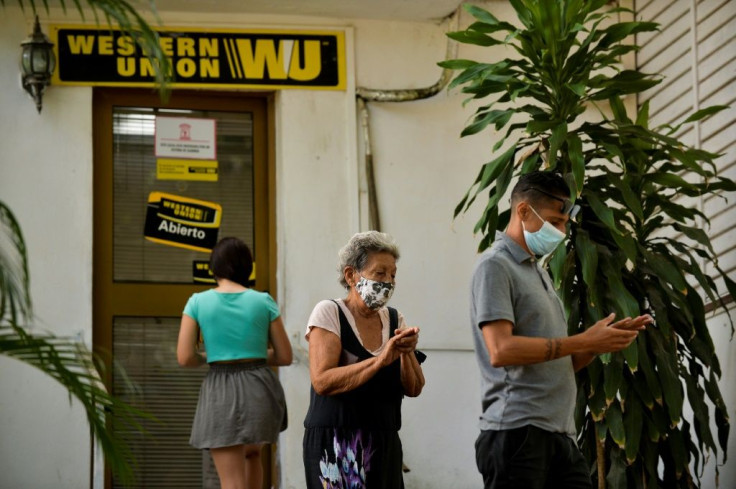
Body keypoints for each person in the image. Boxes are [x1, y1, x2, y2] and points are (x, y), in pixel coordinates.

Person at [470, 171, 653, 489]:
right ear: (523, 210)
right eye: (555, 221)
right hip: (517, 434)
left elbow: (560, 362)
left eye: (565, 223)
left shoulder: (537, 273)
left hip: (559, 435)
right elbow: (501, 350)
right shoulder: (495, 266)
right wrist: (581, 339)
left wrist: (597, 343)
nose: (562, 232)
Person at [302, 231, 426, 489]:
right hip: (337, 444)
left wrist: (407, 352)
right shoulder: (329, 313)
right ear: (351, 275)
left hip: (383, 441)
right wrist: (381, 360)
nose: (388, 282)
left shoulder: (394, 319)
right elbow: (322, 381)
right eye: (379, 273)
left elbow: (414, 388)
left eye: (392, 275)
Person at [177, 237, 292, 489]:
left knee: (231, 482)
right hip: (259, 386)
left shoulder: (197, 301)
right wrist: (255, 354)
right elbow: (285, 356)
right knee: (253, 456)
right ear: (247, 268)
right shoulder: (263, 301)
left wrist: (209, 356)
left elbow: (185, 357)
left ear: (213, 267)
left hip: (221, 389)